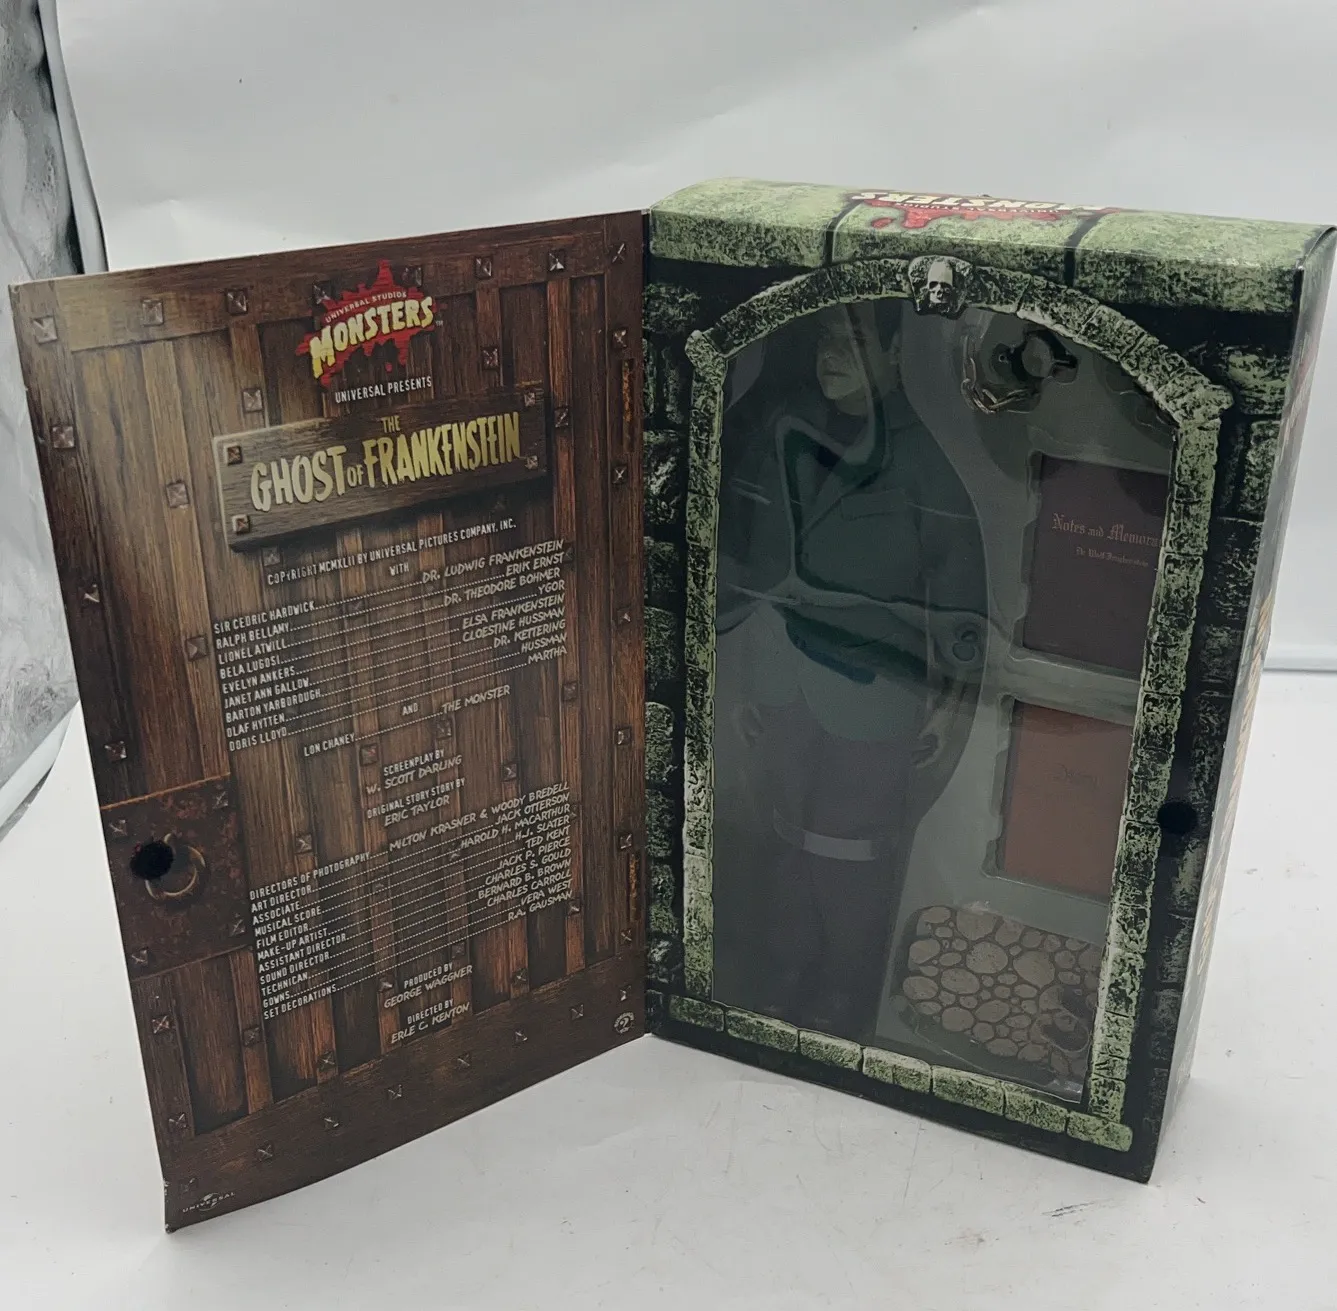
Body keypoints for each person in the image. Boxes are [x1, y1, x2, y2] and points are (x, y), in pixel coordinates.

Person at [710, 298, 988, 1043]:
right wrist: (744, 676)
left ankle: (844, 983)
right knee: (782, 831)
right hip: (780, 678)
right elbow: (750, 561)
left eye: (854, 340)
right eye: (825, 338)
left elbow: (961, 600)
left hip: (873, 694)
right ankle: (784, 970)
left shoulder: (923, 463)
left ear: (895, 355)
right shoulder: (785, 428)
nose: (832, 353)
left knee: (851, 849)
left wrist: (953, 703)